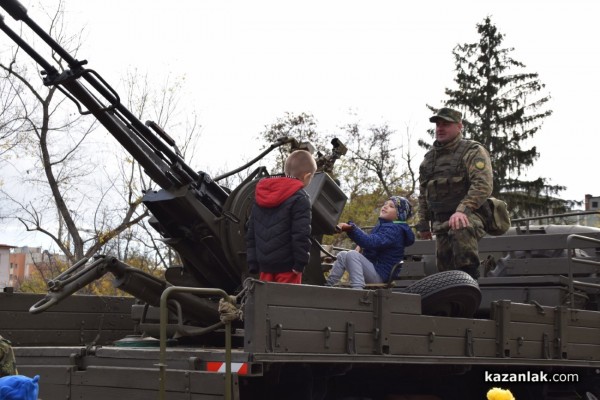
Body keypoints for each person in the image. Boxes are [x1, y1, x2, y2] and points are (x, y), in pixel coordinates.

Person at [416, 107, 493, 279]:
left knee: (460, 226)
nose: (440, 128)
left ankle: (470, 279)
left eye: (446, 124)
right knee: (445, 272)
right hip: (442, 221)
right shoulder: (429, 160)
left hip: (472, 216)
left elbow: (483, 185)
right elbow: (424, 193)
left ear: (459, 126)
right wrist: (423, 223)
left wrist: (462, 210)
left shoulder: (472, 151)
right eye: (438, 125)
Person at [246, 149, 317, 284]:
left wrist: (253, 262)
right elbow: (301, 234)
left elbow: (251, 232)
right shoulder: (300, 198)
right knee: (286, 303)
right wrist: (300, 263)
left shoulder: (261, 195)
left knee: (266, 302)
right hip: (288, 267)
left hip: (265, 267)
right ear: (307, 176)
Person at [325, 196, 415, 289]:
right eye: (385, 204)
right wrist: (361, 245)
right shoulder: (384, 226)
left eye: (391, 206)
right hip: (372, 269)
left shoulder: (395, 230)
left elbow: (370, 242)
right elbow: (373, 242)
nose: (385, 206)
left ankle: (357, 290)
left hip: (379, 274)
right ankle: (329, 286)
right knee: (343, 255)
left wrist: (351, 229)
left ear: (399, 215)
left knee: (352, 254)